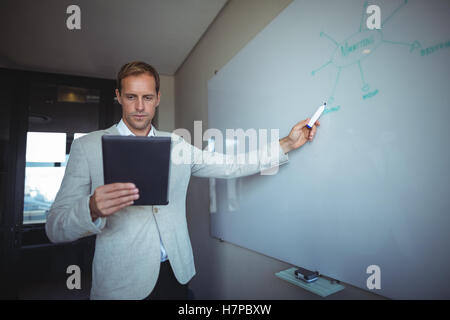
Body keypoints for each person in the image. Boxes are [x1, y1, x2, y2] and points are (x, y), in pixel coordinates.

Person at [45, 61, 320, 300]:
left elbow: (231, 165)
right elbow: (55, 227)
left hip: (176, 275)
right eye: (131, 97)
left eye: (147, 97)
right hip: (122, 285)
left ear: (158, 98)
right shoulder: (87, 147)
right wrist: (91, 208)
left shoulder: (177, 144)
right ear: (118, 96)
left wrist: (286, 142)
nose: (140, 107)